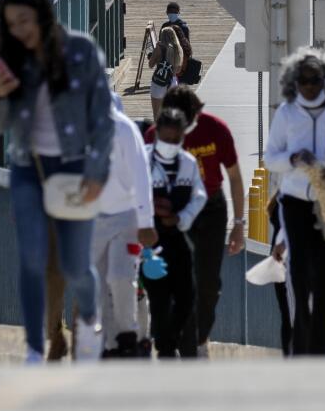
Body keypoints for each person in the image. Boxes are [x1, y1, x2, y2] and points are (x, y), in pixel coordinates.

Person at [0, 0, 114, 364]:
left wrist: (95, 172)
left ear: (42, 14)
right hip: (27, 168)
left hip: (74, 167)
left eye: (24, 20)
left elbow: (103, 119)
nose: (19, 30)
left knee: (74, 266)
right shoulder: (12, 60)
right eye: (11, 24)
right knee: (32, 259)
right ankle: (35, 347)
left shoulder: (80, 51)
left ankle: (89, 322)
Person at [149, 84, 246, 357]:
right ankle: (183, 343)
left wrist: (239, 224)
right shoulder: (156, 137)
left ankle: (200, 338)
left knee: (208, 283)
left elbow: (235, 178)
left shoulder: (216, 129)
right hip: (172, 209)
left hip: (211, 209)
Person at [263, 47, 325, 356]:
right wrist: (294, 159)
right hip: (295, 204)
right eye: (303, 80)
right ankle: (301, 356)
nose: (309, 86)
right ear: (293, 82)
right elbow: (271, 159)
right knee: (300, 283)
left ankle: (321, 359)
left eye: (315, 80)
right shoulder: (286, 113)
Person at [140, 108, 209, 359]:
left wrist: (182, 218)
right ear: (156, 134)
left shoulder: (188, 164)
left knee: (186, 295)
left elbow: (199, 195)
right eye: (165, 138)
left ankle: (171, 336)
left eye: (175, 140)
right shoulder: (143, 161)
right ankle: (165, 349)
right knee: (158, 298)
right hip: (150, 239)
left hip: (177, 235)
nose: (169, 144)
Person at [91, 100, 154, 358]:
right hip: (92, 218)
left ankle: (128, 334)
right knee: (97, 283)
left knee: (120, 276)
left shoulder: (125, 129)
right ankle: (108, 342)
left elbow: (141, 175)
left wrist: (146, 221)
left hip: (125, 216)